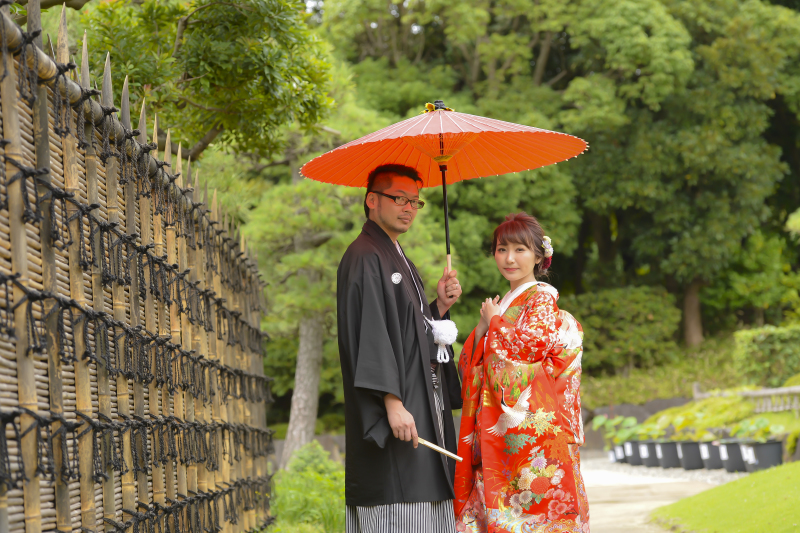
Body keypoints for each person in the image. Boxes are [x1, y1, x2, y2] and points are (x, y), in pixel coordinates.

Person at [337, 164, 464, 533]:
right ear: (372, 200)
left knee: (426, 496)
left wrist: (438, 308)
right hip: (397, 407)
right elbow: (370, 334)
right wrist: (391, 402)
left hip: (419, 402)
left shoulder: (396, 255)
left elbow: (408, 331)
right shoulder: (365, 255)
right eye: (399, 198)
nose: (409, 207)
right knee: (400, 503)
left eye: (415, 201)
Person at [453, 213, 589, 533]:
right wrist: (485, 325)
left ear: (539, 256)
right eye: (502, 249)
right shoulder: (506, 304)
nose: (509, 258)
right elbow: (469, 364)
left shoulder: (540, 297)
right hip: (502, 428)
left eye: (520, 250)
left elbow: (530, 349)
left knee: (532, 513)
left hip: (530, 431)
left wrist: (496, 323)